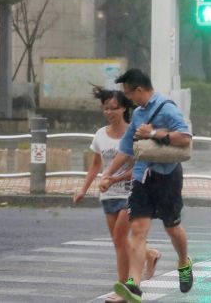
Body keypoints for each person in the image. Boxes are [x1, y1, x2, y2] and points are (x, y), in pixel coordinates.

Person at [101, 68, 193, 303]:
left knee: (172, 228)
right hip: (141, 177)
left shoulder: (167, 107)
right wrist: (108, 174)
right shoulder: (139, 113)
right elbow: (126, 148)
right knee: (138, 231)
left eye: (130, 94)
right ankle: (133, 286)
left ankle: (184, 261)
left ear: (139, 90)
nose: (129, 99)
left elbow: (185, 137)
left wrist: (153, 133)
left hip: (167, 176)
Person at [73, 86, 162, 303]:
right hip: (108, 194)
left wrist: (114, 178)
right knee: (119, 242)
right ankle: (149, 253)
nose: (110, 112)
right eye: (106, 108)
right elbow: (96, 165)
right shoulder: (100, 135)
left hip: (132, 192)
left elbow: (140, 166)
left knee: (119, 237)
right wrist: (83, 189)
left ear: (124, 108)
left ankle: (123, 288)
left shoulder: (134, 133)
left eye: (114, 108)